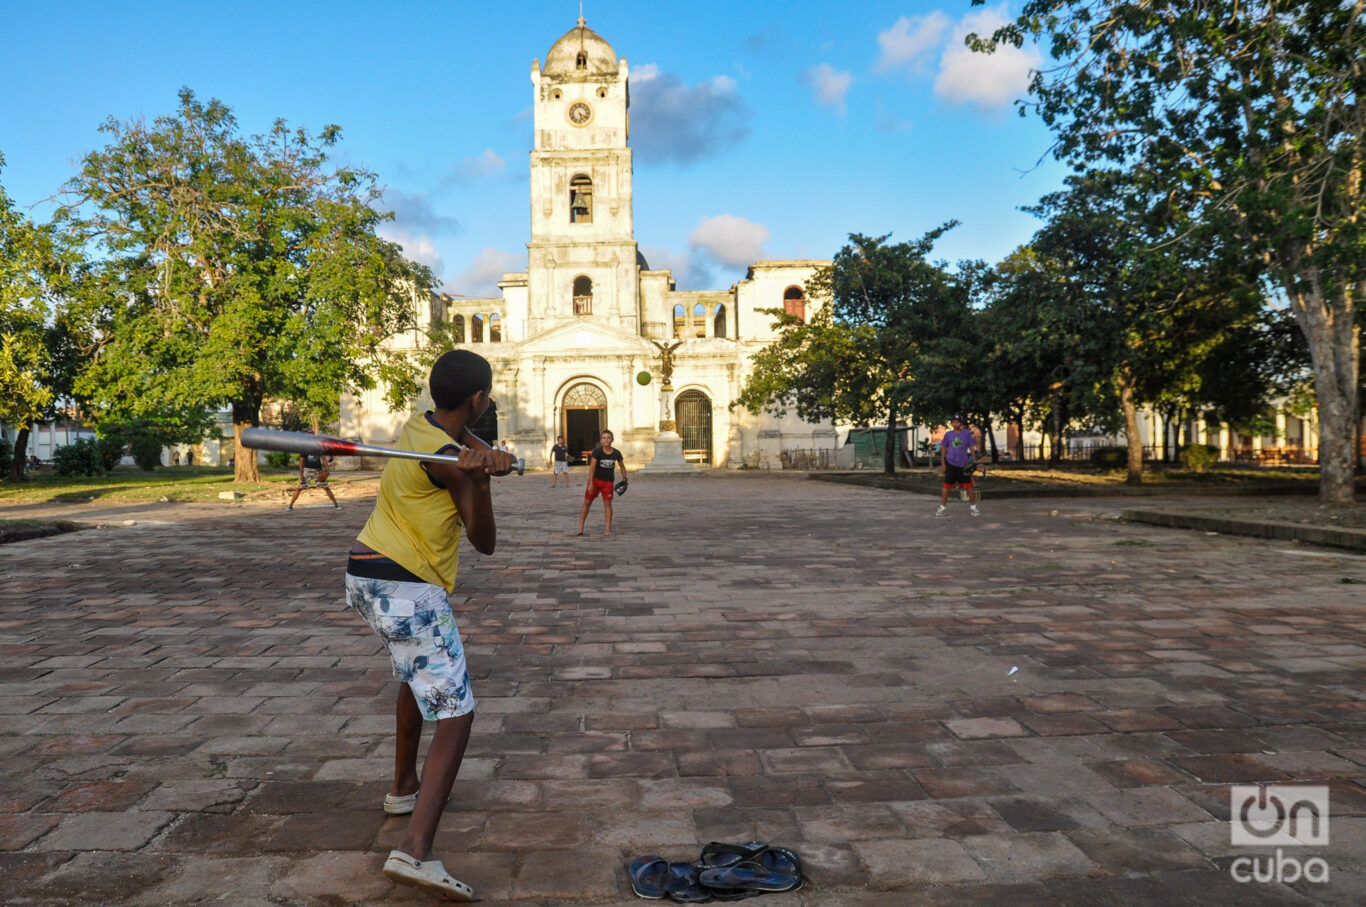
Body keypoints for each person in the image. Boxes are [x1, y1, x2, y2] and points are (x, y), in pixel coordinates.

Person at [345, 349, 513, 901]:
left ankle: (402, 788)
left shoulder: (415, 426)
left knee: (414, 676)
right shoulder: (447, 462)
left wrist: (490, 455)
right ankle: (416, 850)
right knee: (457, 714)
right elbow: (484, 543)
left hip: (366, 571)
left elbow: (465, 445)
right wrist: (480, 483)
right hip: (407, 586)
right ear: (478, 400)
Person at [576, 429, 626, 536]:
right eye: (604, 438)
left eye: (608, 438)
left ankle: (607, 529)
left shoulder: (616, 453)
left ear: (612, 440)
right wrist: (590, 483)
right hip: (595, 480)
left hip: (608, 482)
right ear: (601, 440)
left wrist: (625, 479)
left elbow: (622, 466)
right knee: (587, 502)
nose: (606, 440)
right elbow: (592, 467)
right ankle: (580, 527)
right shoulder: (597, 451)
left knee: (607, 504)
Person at [937, 415, 981, 518]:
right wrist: (943, 463)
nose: (955, 424)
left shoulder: (966, 434)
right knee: (947, 487)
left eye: (957, 422)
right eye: (953, 422)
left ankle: (974, 507)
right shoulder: (948, 435)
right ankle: (942, 509)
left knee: (968, 486)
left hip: (963, 464)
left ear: (961, 423)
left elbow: (971, 447)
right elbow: (943, 448)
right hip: (950, 463)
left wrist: (974, 462)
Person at [287, 438, 340, 511]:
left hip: (318, 470)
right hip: (307, 470)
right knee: (299, 487)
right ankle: (290, 506)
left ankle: (336, 504)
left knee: (326, 487)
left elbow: (324, 459)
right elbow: (301, 462)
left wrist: (328, 471)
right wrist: (301, 475)